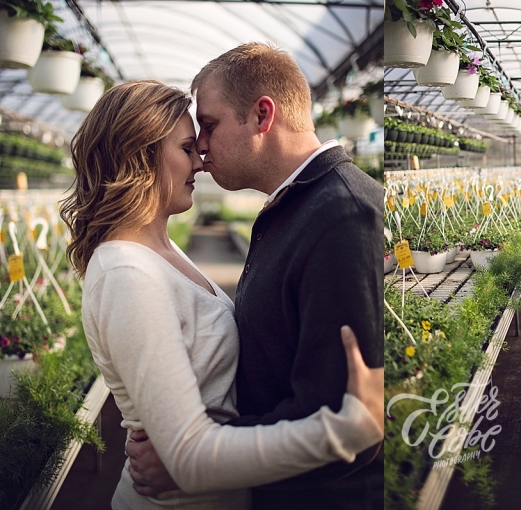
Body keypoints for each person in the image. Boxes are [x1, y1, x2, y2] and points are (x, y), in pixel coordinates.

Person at [59, 80, 385, 510]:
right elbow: (189, 457)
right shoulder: (125, 274)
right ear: (141, 155)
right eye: (186, 148)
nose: (201, 160)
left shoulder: (159, 248)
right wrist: (348, 429)